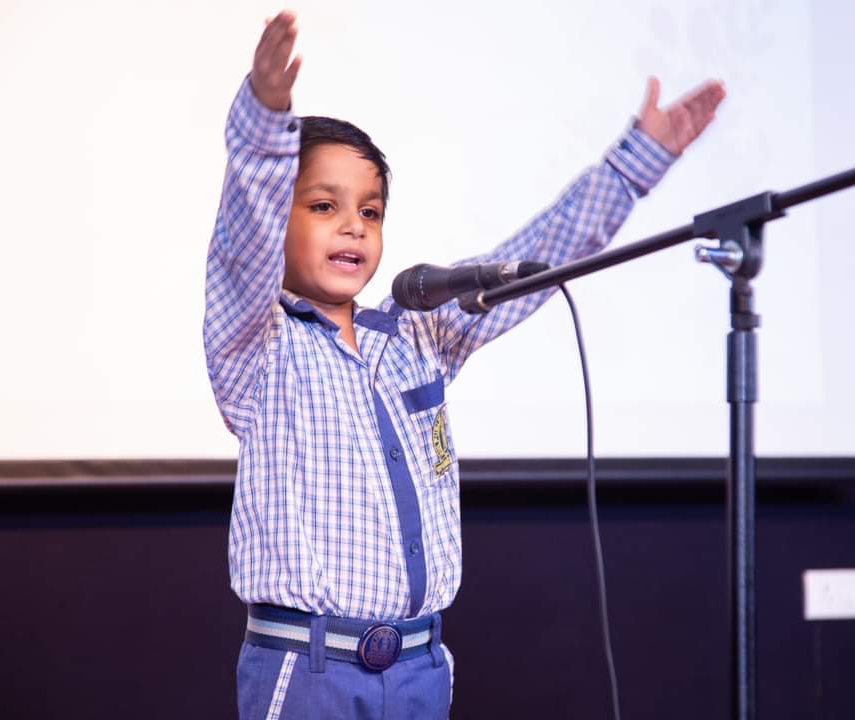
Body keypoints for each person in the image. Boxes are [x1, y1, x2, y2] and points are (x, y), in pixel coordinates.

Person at [204, 9, 725, 720]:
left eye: (371, 212)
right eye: (324, 205)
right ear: (281, 223)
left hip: (419, 668)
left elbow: (534, 258)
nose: (354, 224)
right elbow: (241, 243)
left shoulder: (417, 335)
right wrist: (266, 121)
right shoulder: (259, 346)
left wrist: (635, 165)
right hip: (311, 671)